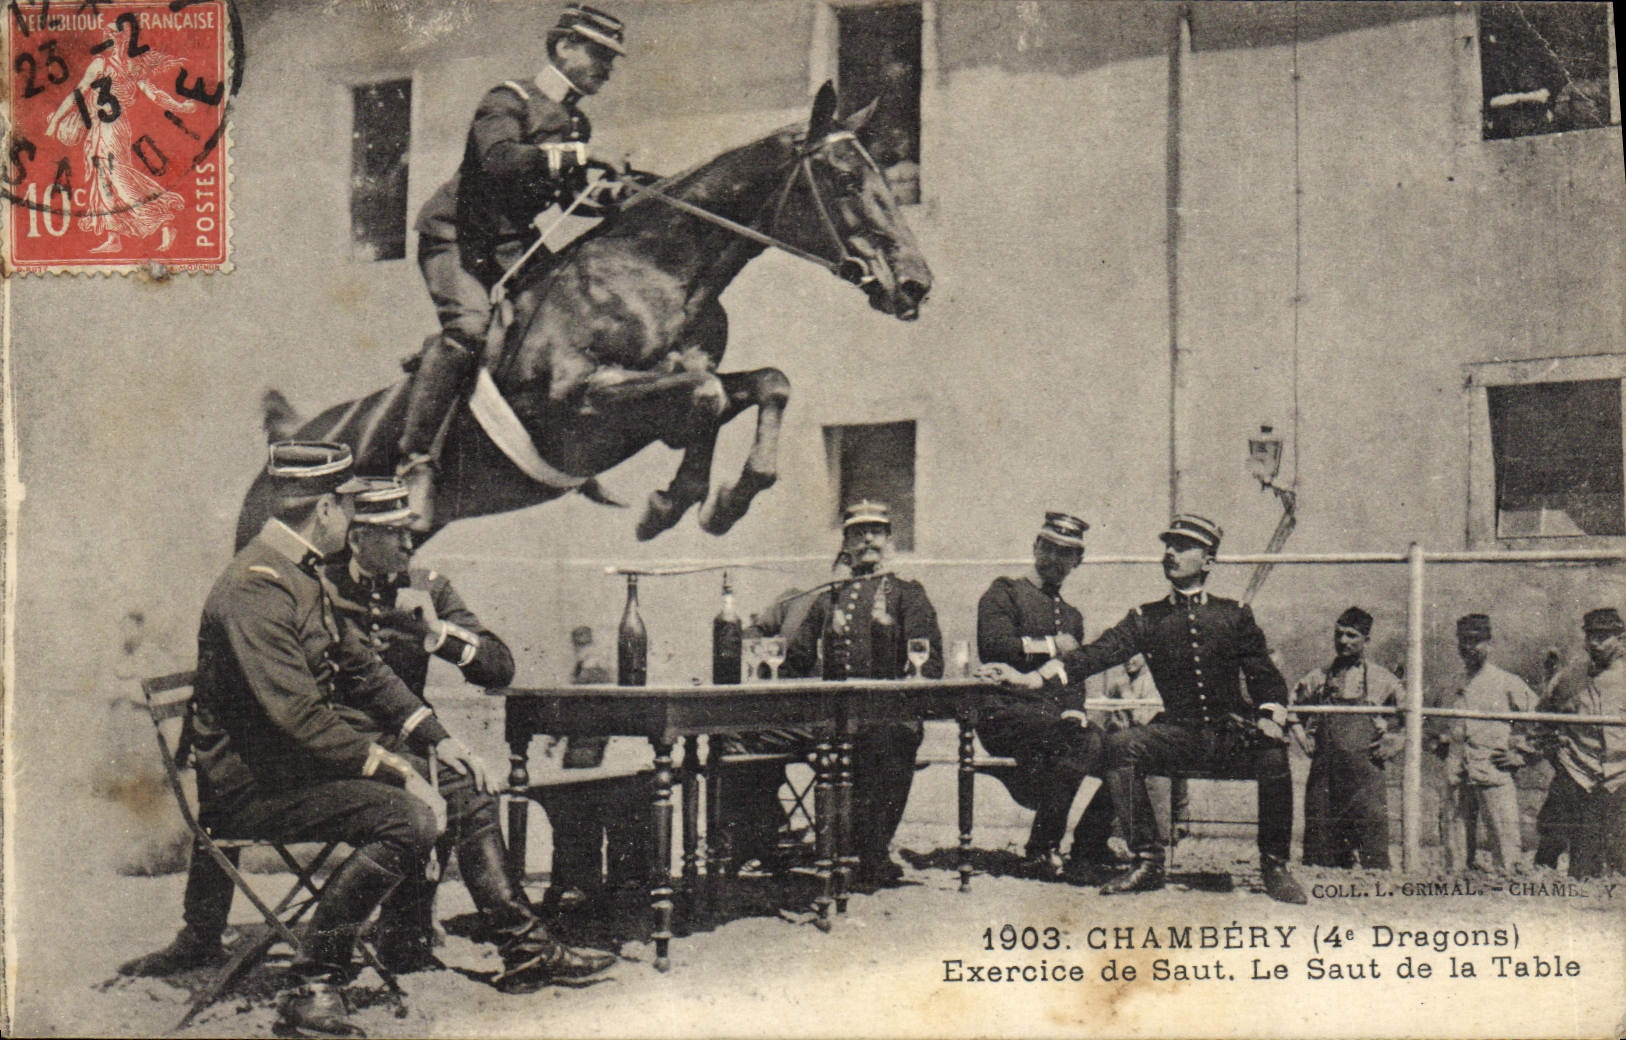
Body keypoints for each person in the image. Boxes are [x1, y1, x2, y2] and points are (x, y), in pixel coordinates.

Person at [118, 452, 607, 1034]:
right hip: (255, 789)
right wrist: (399, 772)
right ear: (326, 508)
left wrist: (436, 741)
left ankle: (520, 951)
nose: (355, 525)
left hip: (293, 770)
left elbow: (361, 669)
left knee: (443, 790)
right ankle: (314, 984)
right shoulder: (257, 587)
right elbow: (297, 713)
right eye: (351, 509)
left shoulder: (296, 573)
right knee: (408, 818)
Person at [323, 478, 612, 984]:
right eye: (397, 535)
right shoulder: (320, 590)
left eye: (411, 533)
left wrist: (438, 636)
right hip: (343, 748)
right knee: (460, 790)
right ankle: (522, 949)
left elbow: (499, 667)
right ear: (358, 538)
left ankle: (424, 939)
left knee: (467, 784)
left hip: (410, 740)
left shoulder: (427, 587)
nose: (411, 545)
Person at [980, 514, 1307, 904]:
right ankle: (1148, 860)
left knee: (1273, 753)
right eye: (1168, 544)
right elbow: (1095, 655)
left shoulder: (1234, 614)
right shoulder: (1145, 618)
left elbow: (1264, 675)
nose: (1171, 553)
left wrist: (1271, 714)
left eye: (1184, 547)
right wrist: (1032, 680)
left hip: (1227, 734)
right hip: (1178, 734)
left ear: (1208, 561)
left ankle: (1274, 866)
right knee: (1121, 746)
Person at [400, 4, 634, 525]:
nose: (607, 68)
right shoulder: (509, 98)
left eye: (611, 59)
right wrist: (583, 156)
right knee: (468, 328)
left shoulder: (576, 121)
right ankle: (415, 463)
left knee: (569, 321)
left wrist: (609, 191)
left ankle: (576, 452)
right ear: (564, 47)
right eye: (599, 54)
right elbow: (500, 161)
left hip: (513, 244)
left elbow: (573, 194)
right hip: (457, 237)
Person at [783, 500, 944, 888]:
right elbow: (797, 660)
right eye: (858, 532)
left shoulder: (908, 592)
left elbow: (929, 661)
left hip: (885, 718)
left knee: (888, 740)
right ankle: (760, 838)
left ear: (889, 539)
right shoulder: (828, 597)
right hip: (828, 721)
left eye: (876, 531)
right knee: (745, 735)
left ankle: (872, 852)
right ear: (846, 543)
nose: (868, 538)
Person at [974, 512, 1117, 880]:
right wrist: (1051, 644)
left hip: (1052, 722)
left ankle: (1088, 846)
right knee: (1085, 742)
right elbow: (993, 645)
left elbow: (1075, 675)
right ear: (1035, 547)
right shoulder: (1004, 591)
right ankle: (1041, 850)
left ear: (1078, 561)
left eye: (1067, 553)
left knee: (1121, 746)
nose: (1056, 559)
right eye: (1049, 548)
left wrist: (1074, 710)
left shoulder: (1072, 615)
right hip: (1004, 713)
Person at [1290, 607, 1405, 870]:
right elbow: (1291, 708)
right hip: (1325, 776)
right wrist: (1301, 736)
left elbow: (1414, 716)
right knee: (1321, 854)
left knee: (1373, 853)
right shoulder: (1319, 677)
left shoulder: (1382, 679)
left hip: (1366, 776)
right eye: (1339, 635)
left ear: (1367, 640)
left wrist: (1396, 741)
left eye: (1352, 636)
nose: (1343, 641)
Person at [1431, 613, 1536, 873]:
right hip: (1457, 770)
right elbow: (1425, 721)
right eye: (1464, 641)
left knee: (1504, 839)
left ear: (1489, 644)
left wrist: (1521, 753)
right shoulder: (1450, 684)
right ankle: (1457, 881)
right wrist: (1439, 745)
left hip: (1493, 769)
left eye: (1476, 641)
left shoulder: (1507, 682)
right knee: (1455, 845)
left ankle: (1507, 880)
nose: (1469, 648)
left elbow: (1540, 721)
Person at [1533, 608, 1626, 878]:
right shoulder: (1568, 678)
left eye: (1604, 636)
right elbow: (1542, 719)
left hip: (1621, 776)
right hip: (1581, 774)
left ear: (1620, 639)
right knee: (1583, 863)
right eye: (1591, 636)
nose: (1596, 643)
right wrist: (1557, 754)